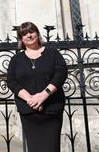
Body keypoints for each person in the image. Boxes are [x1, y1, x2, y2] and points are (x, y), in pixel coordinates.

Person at [7, 22, 68, 152]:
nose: (29, 35)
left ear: (37, 33)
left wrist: (43, 95)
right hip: (29, 111)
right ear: (21, 39)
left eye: (31, 31)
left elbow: (60, 74)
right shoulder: (16, 59)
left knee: (51, 148)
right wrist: (31, 99)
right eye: (24, 34)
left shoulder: (53, 53)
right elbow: (11, 81)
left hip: (51, 110)